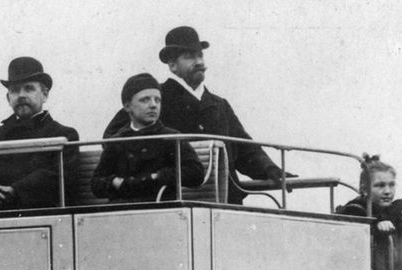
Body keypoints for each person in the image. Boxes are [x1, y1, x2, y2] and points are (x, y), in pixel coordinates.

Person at [104, 27, 292, 203]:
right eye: (189, 57)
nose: (199, 62)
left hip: (225, 202)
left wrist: (271, 170)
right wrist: (153, 171)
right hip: (175, 203)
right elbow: (114, 138)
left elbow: (245, 149)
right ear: (172, 65)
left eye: (200, 55)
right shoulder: (155, 98)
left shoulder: (219, 105)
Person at [0, 57, 80, 211]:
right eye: (15, 90)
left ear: (45, 94)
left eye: (29, 88)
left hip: (39, 215)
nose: (21, 95)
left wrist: (15, 191)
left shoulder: (63, 135)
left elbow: (59, 176)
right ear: (8, 98)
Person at [92, 72, 203, 203]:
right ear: (127, 106)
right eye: (145, 100)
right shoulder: (118, 140)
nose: (153, 105)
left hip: (160, 207)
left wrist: (159, 176)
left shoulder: (171, 137)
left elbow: (195, 173)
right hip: (121, 208)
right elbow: (96, 183)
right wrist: (115, 182)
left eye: (157, 100)